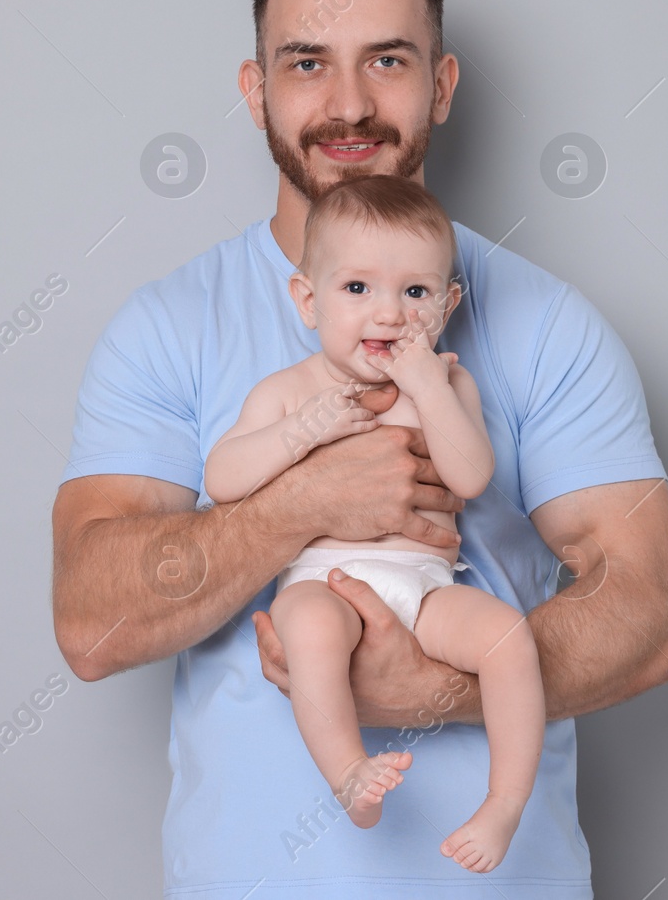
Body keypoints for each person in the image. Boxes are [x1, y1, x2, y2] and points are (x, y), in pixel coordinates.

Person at [52, 0, 668, 898]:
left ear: (441, 85)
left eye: (387, 61)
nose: (347, 104)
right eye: (306, 63)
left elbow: (644, 617)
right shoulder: (169, 324)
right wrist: (301, 504)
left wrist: (430, 690)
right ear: (255, 89)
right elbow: (90, 621)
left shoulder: (550, 323)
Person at [204, 175, 544, 873]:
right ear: (308, 299)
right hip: (323, 580)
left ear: (448, 304)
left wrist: (428, 389)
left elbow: (470, 475)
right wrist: (298, 434)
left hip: (423, 588)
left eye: (415, 293)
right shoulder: (290, 391)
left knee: (509, 638)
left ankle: (504, 802)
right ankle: (349, 774)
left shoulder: (449, 386)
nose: (388, 314)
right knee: (309, 628)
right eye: (357, 288)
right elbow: (223, 478)